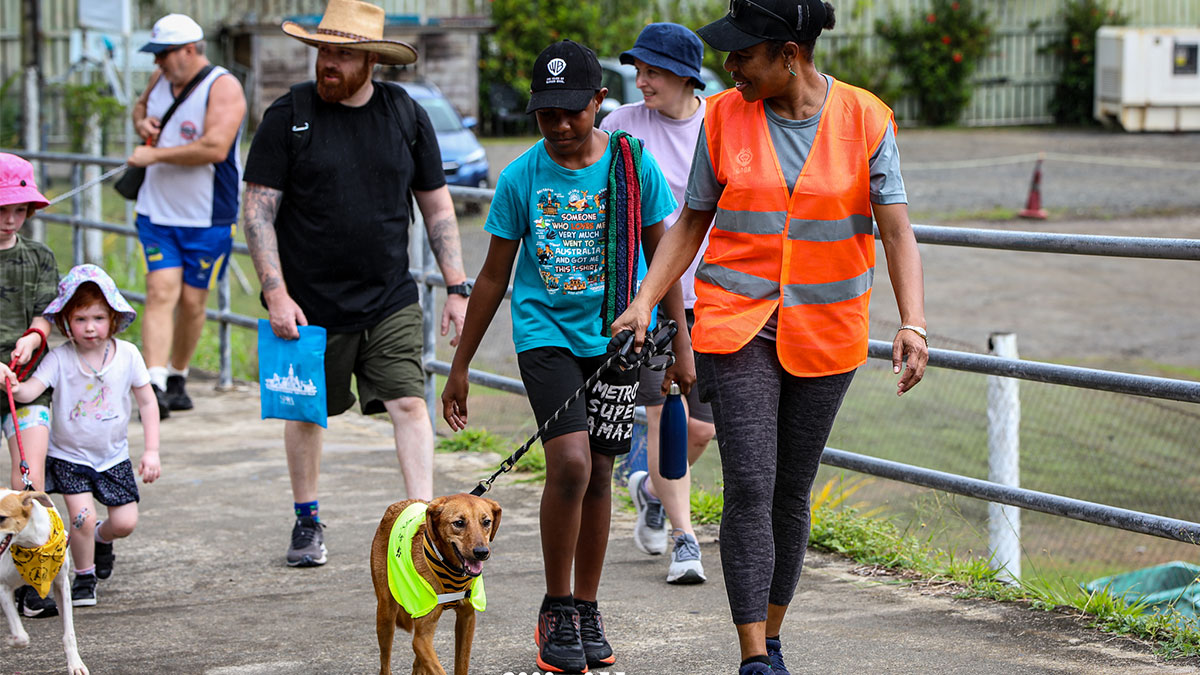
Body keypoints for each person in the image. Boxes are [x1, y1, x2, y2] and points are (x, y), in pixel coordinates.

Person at [609, 2, 929, 674]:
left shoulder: (867, 118)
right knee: (751, 484)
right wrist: (644, 301)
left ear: (789, 54)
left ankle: (774, 636)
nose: (729, 67)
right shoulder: (723, 116)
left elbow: (896, 229)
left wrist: (912, 321)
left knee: (790, 490)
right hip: (736, 323)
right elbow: (691, 221)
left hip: (828, 329)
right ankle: (754, 655)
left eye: (743, 55)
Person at [441, 39, 694, 674]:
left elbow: (664, 261)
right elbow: (493, 277)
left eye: (571, 112)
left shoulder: (633, 168)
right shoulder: (520, 177)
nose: (557, 125)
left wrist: (681, 349)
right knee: (573, 463)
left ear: (599, 102)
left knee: (601, 471)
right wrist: (461, 365)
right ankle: (556, 605)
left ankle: (586, 607)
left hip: (619, 339)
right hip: (545, 334)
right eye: (545, 114)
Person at [242, 0, 469, 568]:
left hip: (389, 296)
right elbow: (258, 211)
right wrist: (276, 293)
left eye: (342, 54)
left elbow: (437, 205)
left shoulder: (404, 114)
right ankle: (307, 519)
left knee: (409, 402)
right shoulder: (288, 115)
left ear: (371, 61)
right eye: (323, 50)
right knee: (306, 413)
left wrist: (456, 286)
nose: (328, 63)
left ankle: (422, 524)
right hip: (308, 305)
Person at [599, 22, 717, 585]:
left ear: (686, 77)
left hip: (714, 299)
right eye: (639, 71)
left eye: (653, 72)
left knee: (701, 431)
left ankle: (649, 489)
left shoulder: (718, 124)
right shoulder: (621, 126)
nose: (641, 81)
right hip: (650, 303)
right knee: (661, 417)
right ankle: (685, 538)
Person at [5, 264, 161, 609]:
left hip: (114, 457)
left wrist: (151, 451)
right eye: (80, 319)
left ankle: (103, 540)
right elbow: (32, 390)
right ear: (66, 322)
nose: (90, 327)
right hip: (70, 458)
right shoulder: (60, 358)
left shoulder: (129, 355)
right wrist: (14, 387)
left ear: (114, 318)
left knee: (125, 523)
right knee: (82, 519)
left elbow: (148, 403)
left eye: (99, 318)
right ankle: (84, 576)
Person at [127, 12, 248, 419]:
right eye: (156, 54)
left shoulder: (223, 86)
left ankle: (178, 374)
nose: (157, 62)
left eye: (164, 54)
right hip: (156, 212)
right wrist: (142, 121)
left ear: (190, 50)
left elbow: (215, 146)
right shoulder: (159, 78)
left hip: (207, 217)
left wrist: (155, 155)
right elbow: (140, 107)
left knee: (194, 302)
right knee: (160, 292)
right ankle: (155, 383)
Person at [0, 152, 60, 618]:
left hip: (26, 383)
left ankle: (32, 580)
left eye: (19, 210)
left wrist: (35, 336)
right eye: (2, 210)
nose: (10, 220)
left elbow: (45, 312)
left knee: (29, 481)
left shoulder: (39, 256)